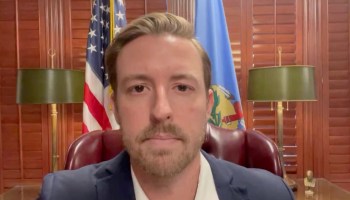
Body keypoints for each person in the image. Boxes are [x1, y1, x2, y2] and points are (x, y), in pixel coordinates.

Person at [39, 13, 294, 200]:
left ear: (208, 105)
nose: (161, 111)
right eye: (139, 88)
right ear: (115, 107)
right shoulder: (61, 195)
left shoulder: (272, 194)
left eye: (182, 88)